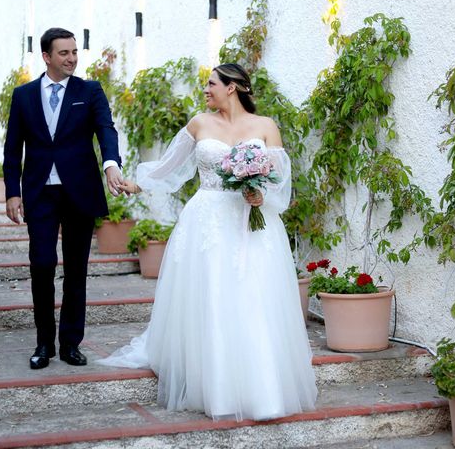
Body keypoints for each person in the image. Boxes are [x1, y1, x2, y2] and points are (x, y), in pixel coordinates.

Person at [99, 63, 317, 421]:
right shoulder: (199, 123)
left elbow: (280, 181)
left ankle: (262, 389)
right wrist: (136, 184)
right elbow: (172, 167)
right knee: (214, 294)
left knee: (252, 296)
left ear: (232, 88)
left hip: (250, 223)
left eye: (211, 84)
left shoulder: (265, 127)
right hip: (207, 222)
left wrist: (262, 196)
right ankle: (216, 387)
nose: (206, 90)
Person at [3, 27, 124, 370]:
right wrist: (13, 192)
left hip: (79, 191)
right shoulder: (24, 95)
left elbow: (106, 129)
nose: (72, 58)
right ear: (46, 57)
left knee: (76, 269)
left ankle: (70, 343)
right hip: (40, 192)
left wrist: (111, 164)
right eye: (64, 53)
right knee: (42, 265)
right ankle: (44, 343)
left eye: (74, 52)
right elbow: (13, 149)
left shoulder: (90, 91)